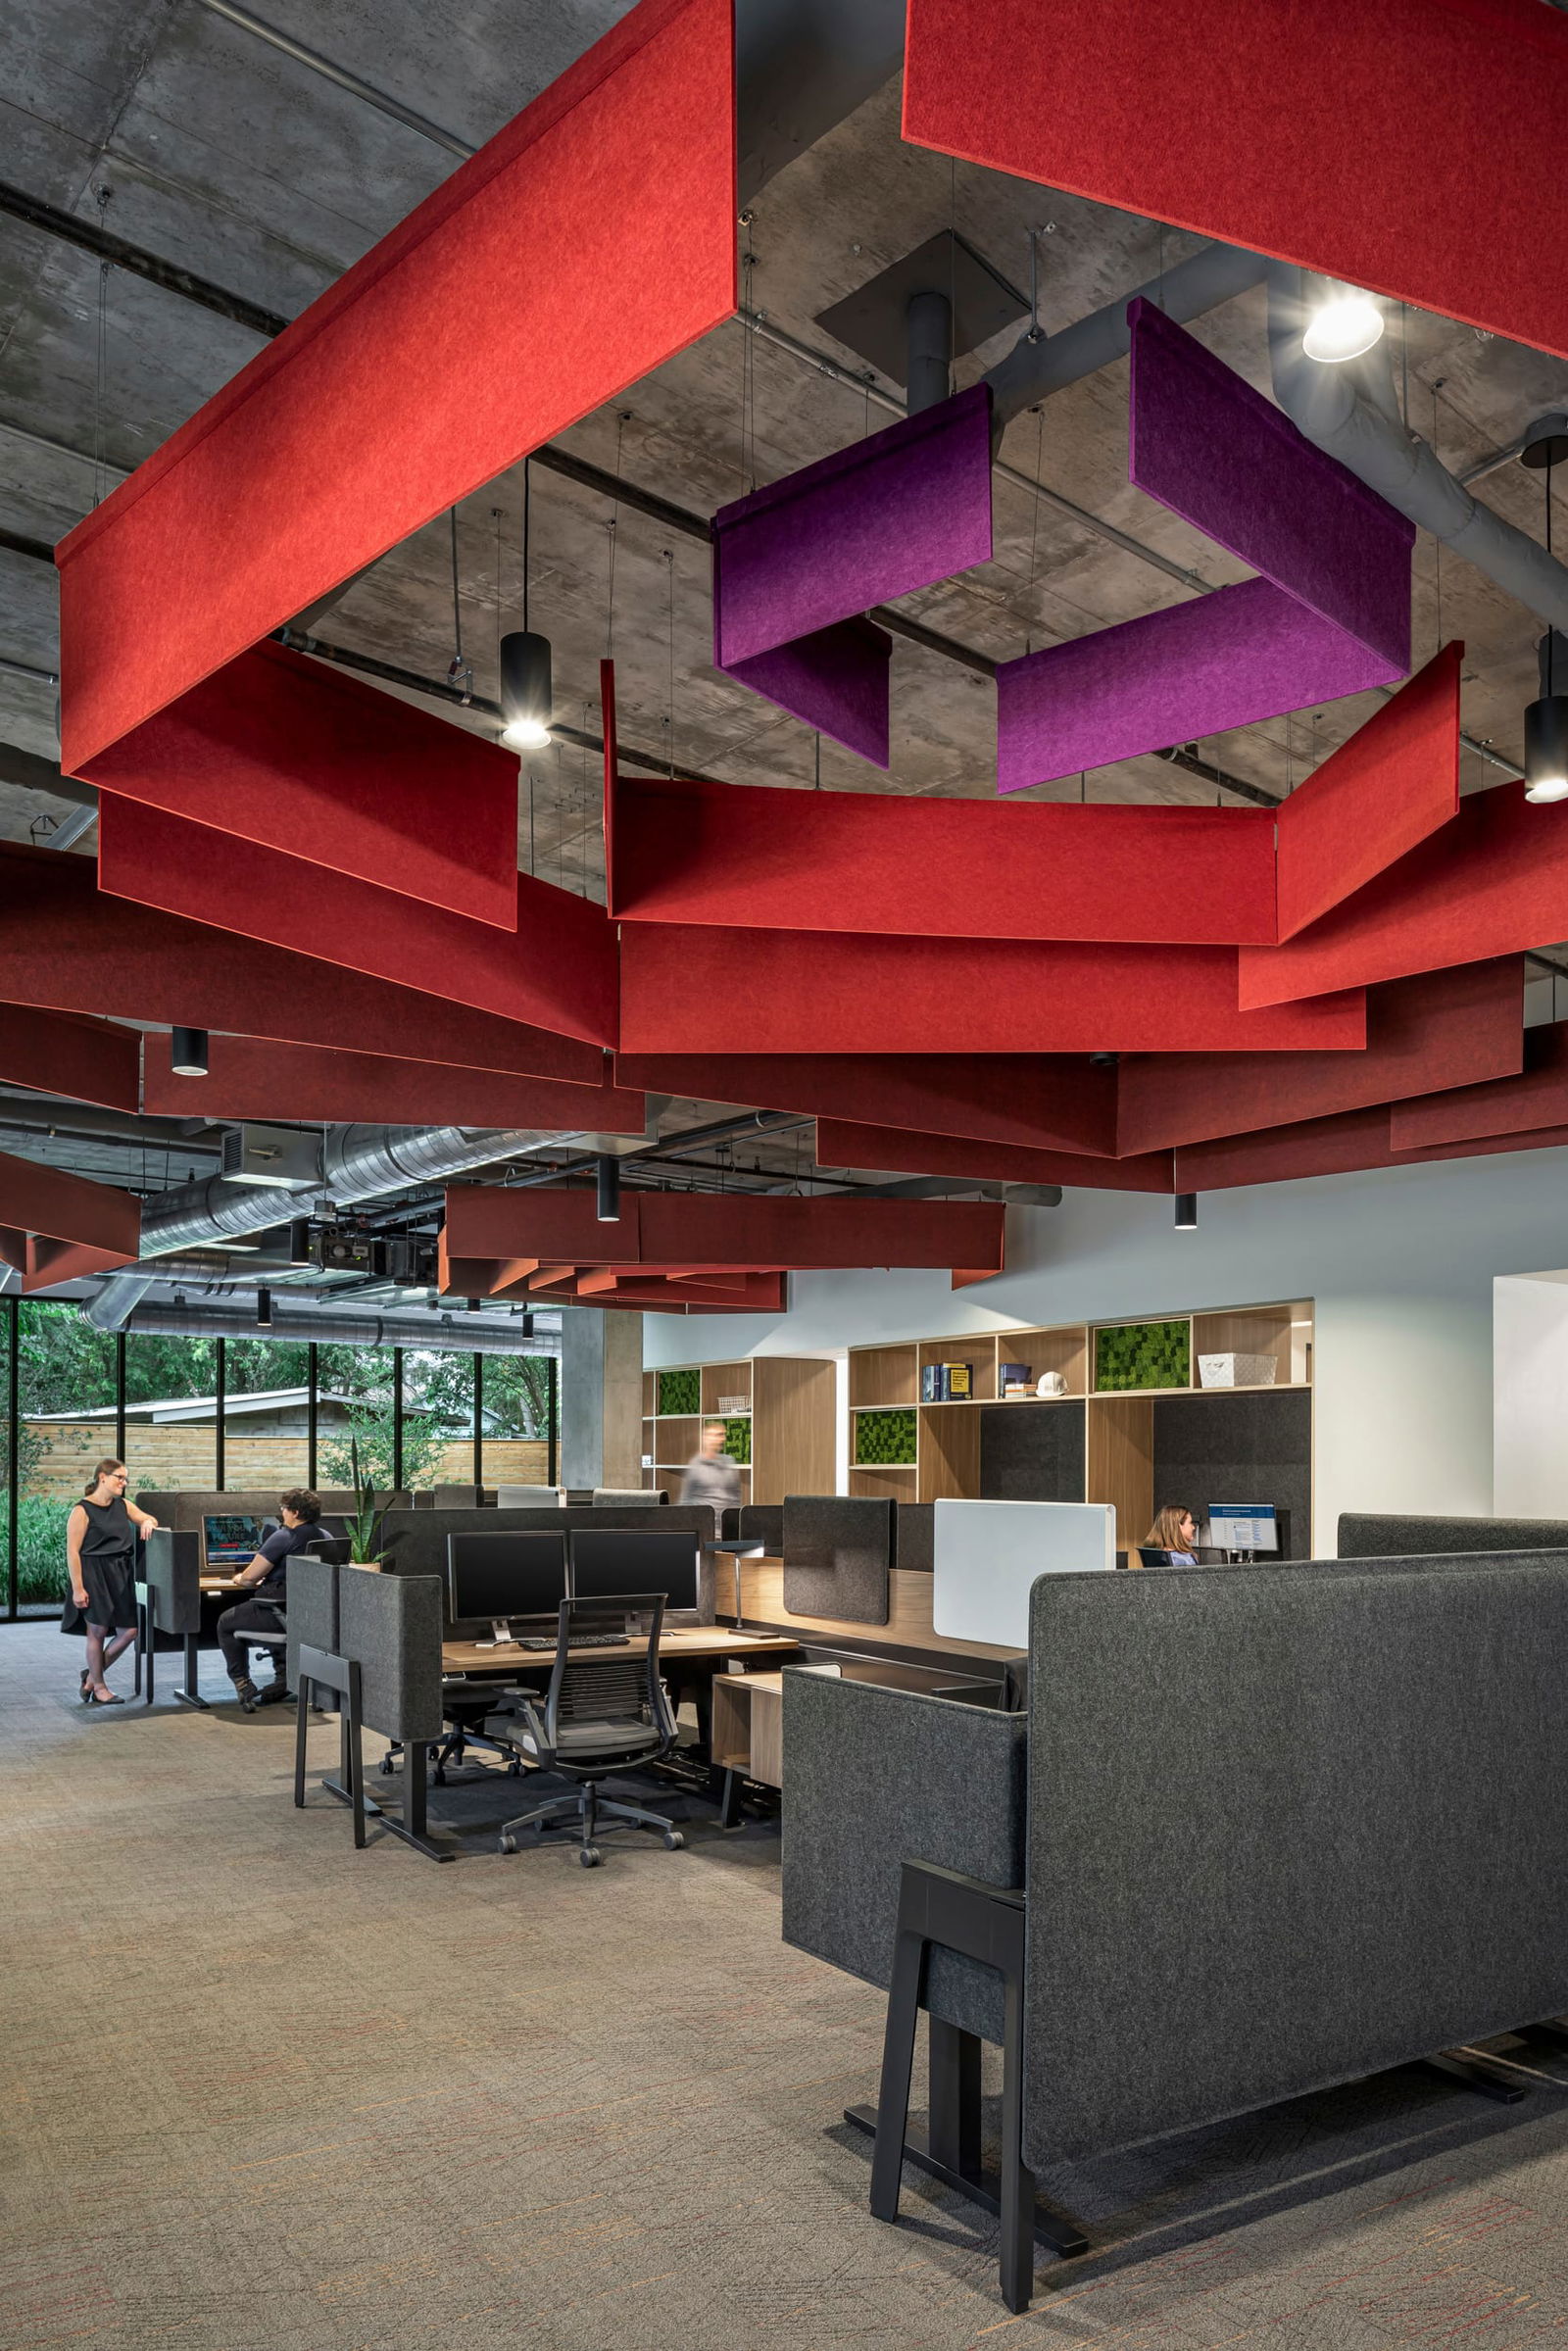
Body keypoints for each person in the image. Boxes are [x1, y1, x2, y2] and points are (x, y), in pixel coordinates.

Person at [214, 1488, 323, 1712]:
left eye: (284, 1509)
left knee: (225, 1622)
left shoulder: (284, 1536)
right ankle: (284, 1679)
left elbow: (249, 1579)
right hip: (313, 1617)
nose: (282, 1513)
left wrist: (238, 1577)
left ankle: (243, 1684)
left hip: (279, 1613)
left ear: (295, 1512)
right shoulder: (326, 1537)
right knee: (265, 1613)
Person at [65, 1459, 160, 1705]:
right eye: (120, 1477)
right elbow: (72, 1552)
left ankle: (90, 1678)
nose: (124, 1483)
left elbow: (148, 1518)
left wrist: (147, 1522)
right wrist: (78, 1588)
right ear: (102, 1477)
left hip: (121, 1574)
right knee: (96, 1632)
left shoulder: (123, 1505)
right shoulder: (82, 1510)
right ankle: (99, 1687)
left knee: (130, 1632)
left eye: (125, 1478)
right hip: (93, 1574)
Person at [680, 1419, 742, 1514]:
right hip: (705, 1520)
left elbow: (735, 1496)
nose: (723, 1439)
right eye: (718, 1435)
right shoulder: (697, 1465)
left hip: (727, 1520)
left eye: (723, 1434)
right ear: (706, 1438)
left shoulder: (729, 1462)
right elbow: (686, 1499)